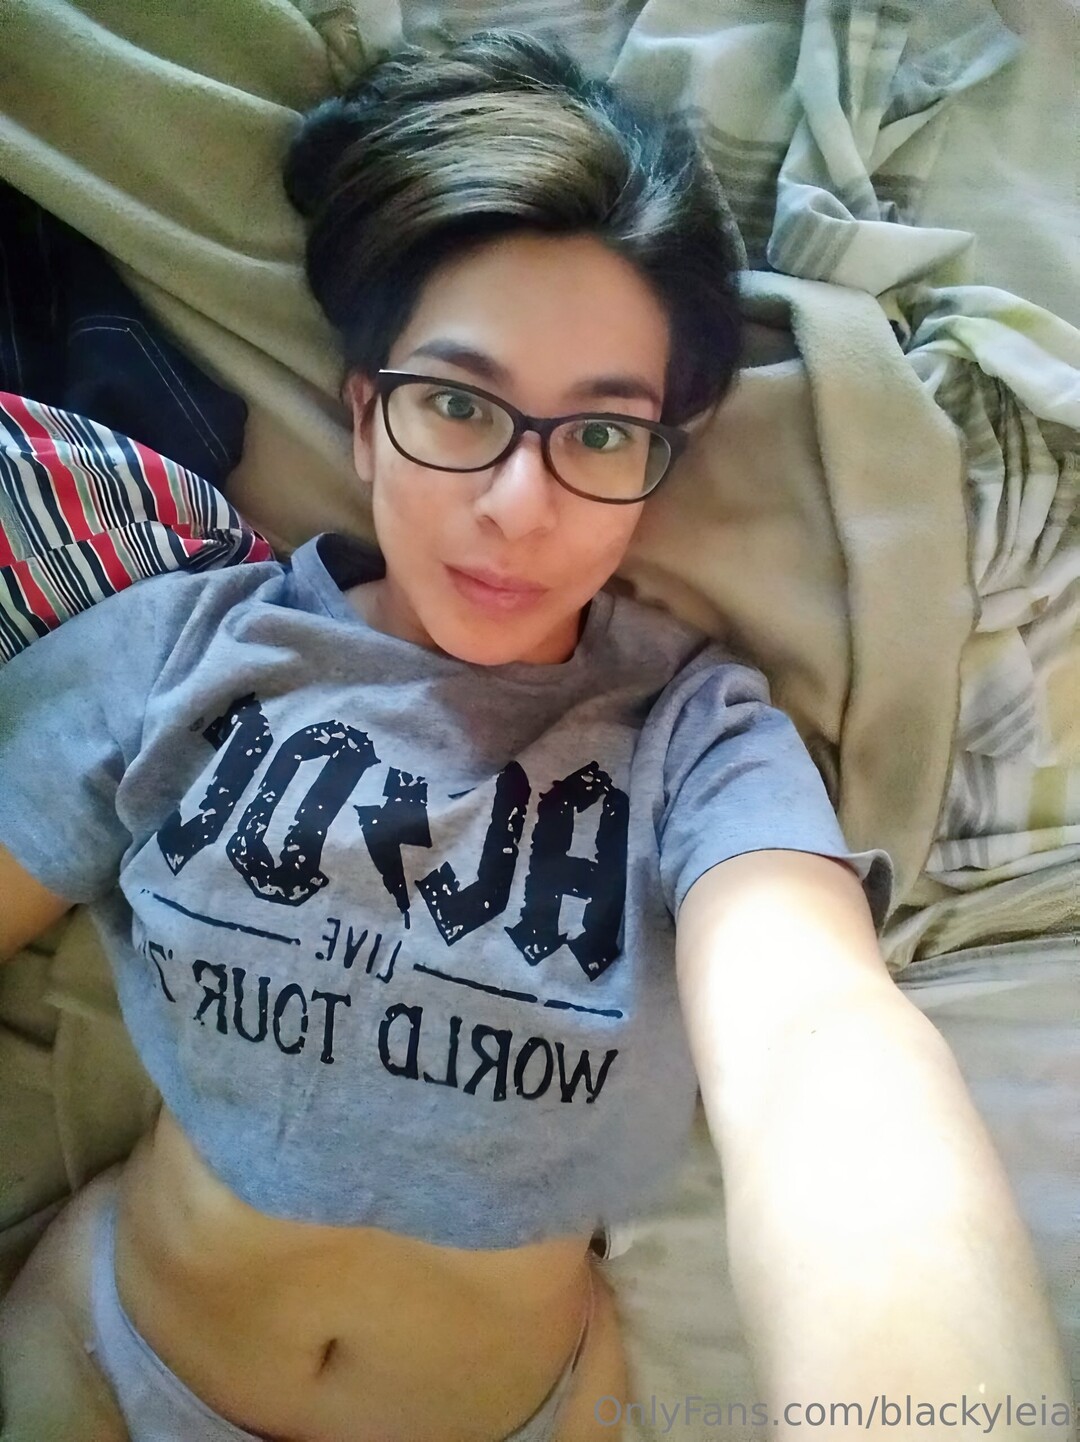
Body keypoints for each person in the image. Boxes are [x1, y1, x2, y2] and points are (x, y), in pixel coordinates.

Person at [0, 26, 1072, 1442]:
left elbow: (819, 1049)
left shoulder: (702, 741)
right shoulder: (177, 654)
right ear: (365, 420)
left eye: (601, 434)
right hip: (100, 1355)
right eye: (458, 405)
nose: (520, 505)